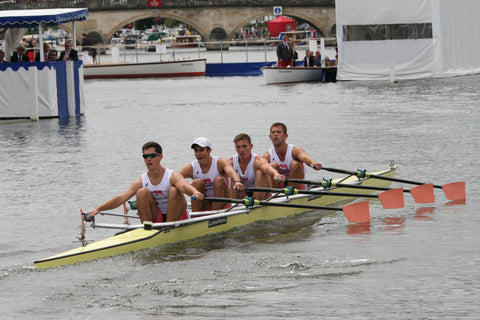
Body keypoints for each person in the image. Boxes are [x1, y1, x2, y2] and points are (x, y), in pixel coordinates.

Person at [87, 141, 204, 223]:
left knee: (174, 190)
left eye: (152, 155)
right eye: (145, 156)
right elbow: (121, 198)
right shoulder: (141, 180)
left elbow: (183, 186)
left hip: (178, 217)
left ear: (160, 157)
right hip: (157, 216)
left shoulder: (172, 176)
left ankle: (169, 227)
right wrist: (98, 209)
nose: (148, 159)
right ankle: (148, 230)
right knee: (141, 192)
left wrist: (194, 192)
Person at [179, 137, 244, 212]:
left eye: (201, 150)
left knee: (218, 180)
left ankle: (214, 214)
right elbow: (176, 180)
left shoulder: (220, 162)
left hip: (222, 201)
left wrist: (237, 181)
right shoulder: (191, 167)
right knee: (197, 183)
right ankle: (195, 216)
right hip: (204, 202)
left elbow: (232, 172)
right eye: (196, 150)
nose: (198, 154)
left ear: (209, 151)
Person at [263, 122, 322, 189]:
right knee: (272, 166)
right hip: (279, 189)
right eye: (273, 132)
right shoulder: (267, 155)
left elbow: (306, 158)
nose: (275, 134)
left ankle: (291, 192)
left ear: (286, 136)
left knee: (294, 164)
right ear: (270, 137)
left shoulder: (295, 150)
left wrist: (313, 163)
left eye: (279, 132)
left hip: (297, 187)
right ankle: (276, 194)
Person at [229, 133, 285, 200]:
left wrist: (276, 174)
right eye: (238, 147)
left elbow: (267, 168)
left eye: (244, 146)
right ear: (235, 147)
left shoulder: (258, 160)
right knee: (231, 175)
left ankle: (256, 203)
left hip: (261, 192)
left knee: (260, 172)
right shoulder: (231, 161)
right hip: (243, 192)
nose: (241, 150)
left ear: (251, 146)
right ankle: (234, 204)